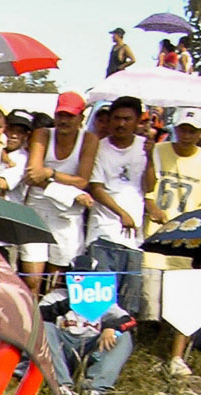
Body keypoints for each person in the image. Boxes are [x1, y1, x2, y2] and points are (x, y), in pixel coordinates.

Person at [20, 91, 97, 294]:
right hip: (37, 210)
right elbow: (32, 176)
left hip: (67, 215)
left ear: (81, 117)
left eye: (70, 116)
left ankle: (50, 320)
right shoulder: (42, 134)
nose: (64, 120)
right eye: (61, 115)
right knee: (32, 281)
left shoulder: (89, 140)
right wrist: (69, 190)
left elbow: (82, 181)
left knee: (58, 282)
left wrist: (50, 173)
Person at [145, 106, 201, 375]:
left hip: (187, 239)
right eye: (182, 129)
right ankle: (142, 351)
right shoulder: (158, 151)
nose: (186, 135)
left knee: (184, 299)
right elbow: (146, 190)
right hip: (155, 234)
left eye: (192, 131)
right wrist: (151, 207)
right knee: (148, 301)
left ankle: (176, 357)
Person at [40, 264, 137, 395]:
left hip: (92, 347)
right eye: (76, 276)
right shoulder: (56, 296)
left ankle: (94, 388)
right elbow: (35, 318)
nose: (81, 279)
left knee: (123, 337)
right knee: (43, 327)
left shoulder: (100, 298)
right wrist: (67, 304)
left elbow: (129, 320)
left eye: (85, 276)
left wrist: (111, 327)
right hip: (62, 347)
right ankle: (62, 386)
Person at [87, 95, 148, 313]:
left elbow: (149, 186)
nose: (121, 124)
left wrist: (150, 158)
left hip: (133, 237)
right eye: (117, 118)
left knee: (128, 302)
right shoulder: (98, 147)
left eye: (127, 119)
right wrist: (121, 213)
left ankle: (123, 341)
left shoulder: (146, 148)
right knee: (99, 298)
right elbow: (96, 187)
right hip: (103, 230)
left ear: (137, 121)